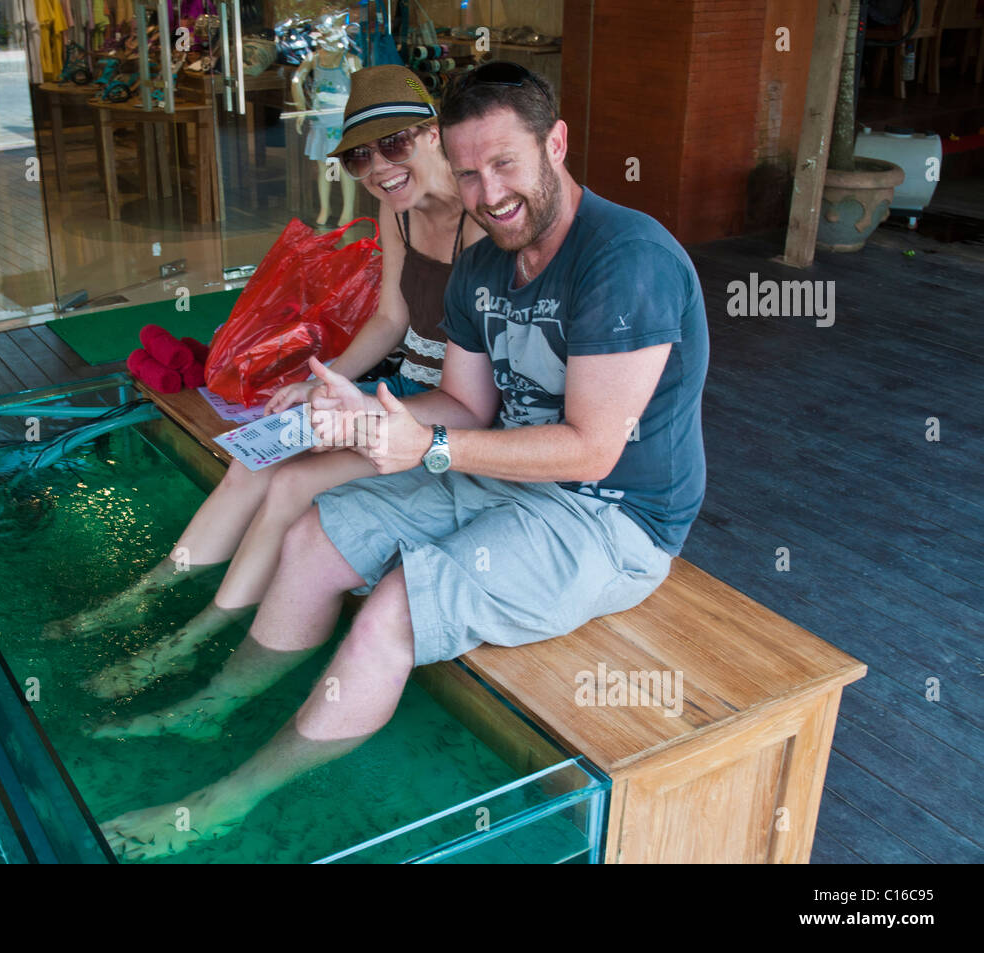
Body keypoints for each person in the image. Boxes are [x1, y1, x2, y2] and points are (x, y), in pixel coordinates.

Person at [97, 62, 710, 860]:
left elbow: (593, 445)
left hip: (612, 514)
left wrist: (434, 445)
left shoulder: (626, 259)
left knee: (393, 608)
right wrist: (364, 416)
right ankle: (215, 701)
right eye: (468, 173)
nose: (487, 193)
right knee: (314, 536)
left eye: (505, 164)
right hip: (504, 473)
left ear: (555, 144)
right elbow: (462, 405)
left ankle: (227, 800)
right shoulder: (487, 259)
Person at [42, 65, 486, 701]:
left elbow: (475, 390)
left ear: (436, 133)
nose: (378, 168)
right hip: (393, 384)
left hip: (430, 414)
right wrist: (326, 381)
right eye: (361, 156)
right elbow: (390, 317)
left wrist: (359, 403)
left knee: (290, 483)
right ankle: (145, 595)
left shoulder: (483, 225)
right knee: (251, 459)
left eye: (396, 144)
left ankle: (192, 639)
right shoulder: (400, 213)